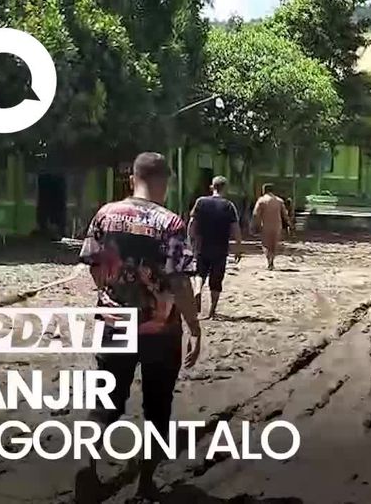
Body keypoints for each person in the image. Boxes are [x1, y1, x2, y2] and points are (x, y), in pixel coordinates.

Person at [74, 152, 201, 502]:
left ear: (133, 178)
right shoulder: (170, 223)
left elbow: (95, 267)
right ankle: (146, 482)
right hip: (160, 329)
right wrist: (194, 326)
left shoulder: (106, 214)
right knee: (157, 406)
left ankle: (87, 465)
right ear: (166, 182)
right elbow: (180, 282)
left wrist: (112, 294)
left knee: (106, 401)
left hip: (115, 323)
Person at [189, 176, 242, 319]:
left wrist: (190, 241)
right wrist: (238, 247)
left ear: (212, 187)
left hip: (202, 245)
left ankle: (197, 290)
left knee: (199, 273)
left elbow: (192, 223)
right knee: (216, 279)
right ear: (225, 188)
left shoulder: (201, 202)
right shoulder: (229, 206)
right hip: (220, 247)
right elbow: (235, 228)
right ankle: (212, 311)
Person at [252, 183, 291, 270]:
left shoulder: (261, 200)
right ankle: (272, 261)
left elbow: (256, 214)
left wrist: (256, 224)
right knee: (274, 244)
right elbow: (285, 214)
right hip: (277, 225)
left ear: (264, 190)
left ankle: (269, 261)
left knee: (266, 244)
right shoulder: (279, 201)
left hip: (266, 225)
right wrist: (289, 224)